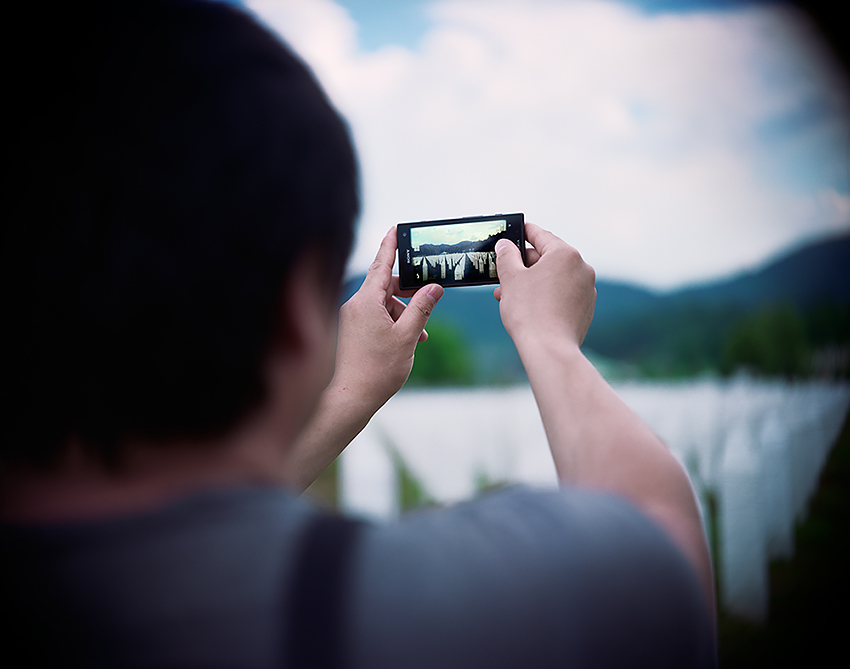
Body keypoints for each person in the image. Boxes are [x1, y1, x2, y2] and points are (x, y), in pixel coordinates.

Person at [1, 0, 716, 666]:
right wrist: (549, 339)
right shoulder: (435, 612)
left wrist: (350, 390)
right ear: (294, 310)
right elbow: (663, 544)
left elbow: (173, 529)